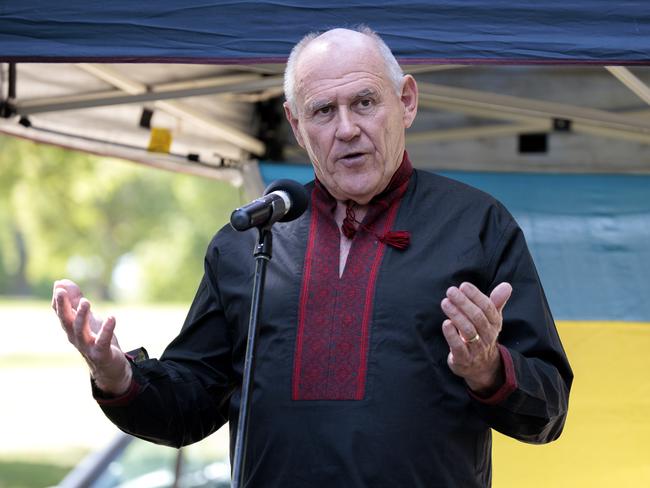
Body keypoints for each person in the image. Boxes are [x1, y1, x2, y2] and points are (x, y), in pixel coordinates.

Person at [53, 27, 572, 487]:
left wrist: (486, 369)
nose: (346, 128)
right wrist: (118, 377)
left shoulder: (477, 225)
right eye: (323, 111)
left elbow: (548, 410)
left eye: (365, 102)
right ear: (297, 127)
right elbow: (189, 407)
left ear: (407, 101)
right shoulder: (248, 242)